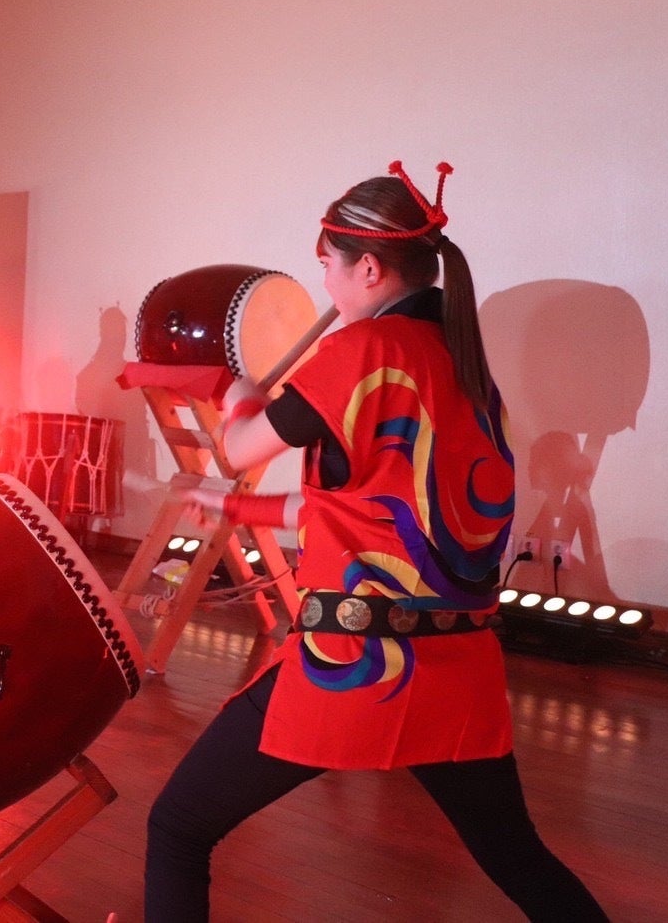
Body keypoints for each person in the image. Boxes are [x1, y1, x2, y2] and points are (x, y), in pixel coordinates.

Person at [143, 163, 607, 921]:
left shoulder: (359, 353)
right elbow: (379, 513)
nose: (324, 280)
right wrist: (240, 509)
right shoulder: (467, 370)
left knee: (178, 827)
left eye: (327, 262)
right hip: (455, 670)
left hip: (356, 668)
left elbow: (240, 446)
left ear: (368, 267)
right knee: (519, 858)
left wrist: (233, 392)